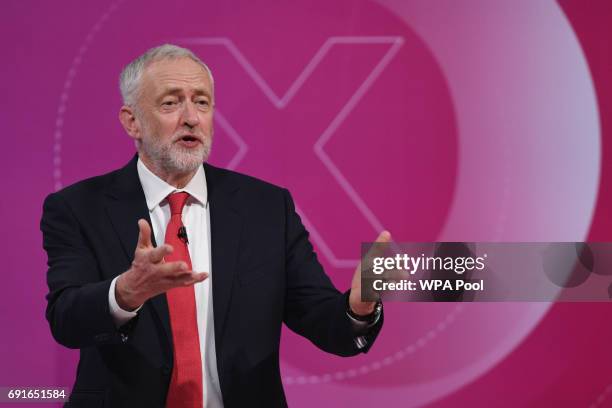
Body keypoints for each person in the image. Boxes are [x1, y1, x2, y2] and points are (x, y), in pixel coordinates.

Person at [41, 44, 387, 408]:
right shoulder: (79, 208)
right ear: (132, 121)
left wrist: (359, 308)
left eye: (202, 102)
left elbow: (320, 319)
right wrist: (124, 293)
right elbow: (66, 320)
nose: (191, 117)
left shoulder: (267, 208)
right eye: (171, 103)